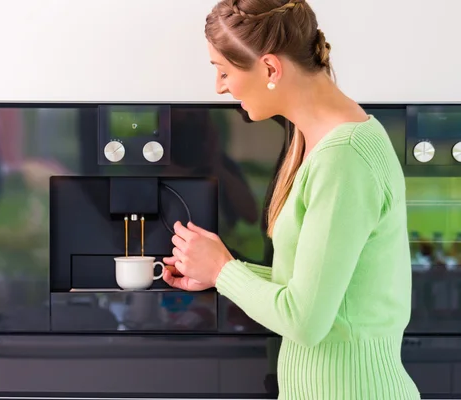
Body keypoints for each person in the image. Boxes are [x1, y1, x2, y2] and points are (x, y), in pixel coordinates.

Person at [161, 0, 421, 398]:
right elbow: (319, 290)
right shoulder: (322, 140)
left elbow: (305, 320)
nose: (220, 86)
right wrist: (222, 274)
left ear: (269, 68)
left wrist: (223, 272)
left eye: (224, 70)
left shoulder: (344, 155)